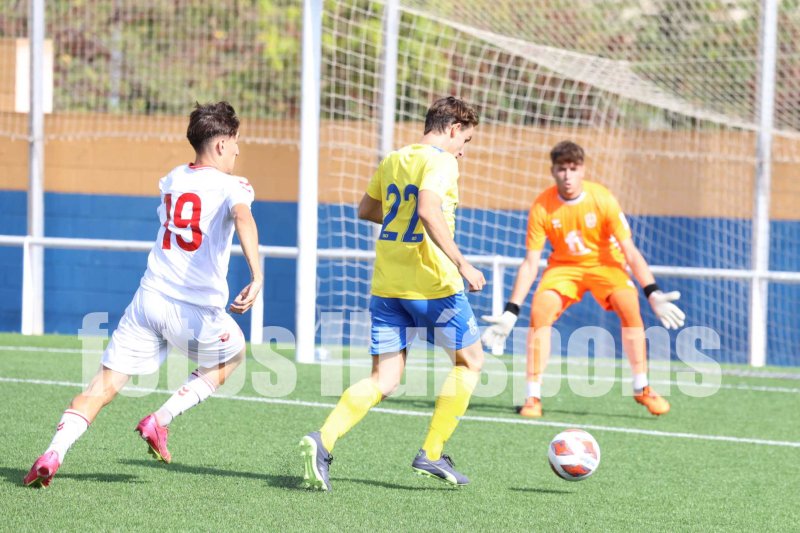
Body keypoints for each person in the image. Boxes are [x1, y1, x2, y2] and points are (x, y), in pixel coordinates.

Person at [23, 101, 263, 487]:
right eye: (235, 142)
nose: (238, 150)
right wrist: (257, 273)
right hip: (194, 311)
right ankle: (160, 420)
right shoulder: (234, 185)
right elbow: (243, 217)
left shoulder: (172, 179)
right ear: (220, 145)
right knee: (233, 355)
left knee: (100, 388)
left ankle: (54, 451)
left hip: (148, 301)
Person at [300, 96, 485, 490]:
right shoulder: (442, 161)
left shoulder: (394, 159)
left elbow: (366, 210)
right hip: (434, 286)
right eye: (465, 141)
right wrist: (462, 263)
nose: (463, 152)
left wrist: (402, 217)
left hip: (388, 286)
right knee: (470, 361)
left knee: (383, 379)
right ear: (453, 129)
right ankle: (431, 453)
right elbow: (429, 210)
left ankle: (323, 439)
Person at [481, 140, 684, 418]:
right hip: (563, 268)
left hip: (606, 265)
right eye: (561, 169)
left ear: (583, 170)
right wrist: (511, 310)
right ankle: (533, 396)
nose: (567, 175)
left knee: (629, 306)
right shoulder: (542, 206)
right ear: (552, 171)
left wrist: (652, 292)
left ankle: (642, 387)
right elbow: (530, 263)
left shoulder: (603, 199)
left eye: (573, 168)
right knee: (540, 312)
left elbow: (630, 252)